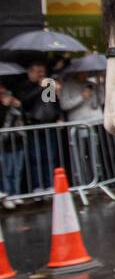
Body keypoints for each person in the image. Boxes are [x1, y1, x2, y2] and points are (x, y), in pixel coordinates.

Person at [12, 61, 61, 192]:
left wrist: (57, 117)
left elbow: (52, 104)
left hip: (48, 126)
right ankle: (37, 186)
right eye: (38, 72)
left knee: (50, 157)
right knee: (35, 157)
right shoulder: (25, 85)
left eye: (43, 72)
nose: (41, 74)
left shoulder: (48, 85)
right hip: (33, 126)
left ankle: (50, 184)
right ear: (30, 72)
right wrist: (40, 88)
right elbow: (25, 102)